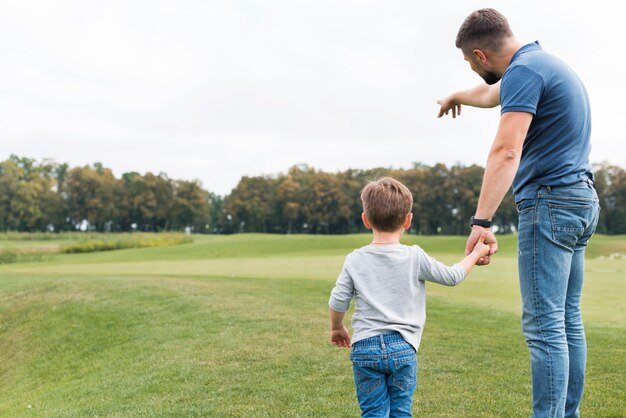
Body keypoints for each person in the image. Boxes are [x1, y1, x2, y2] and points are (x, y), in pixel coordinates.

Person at [436, 8, 600, 418]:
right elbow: (492, 95)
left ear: (480, 55)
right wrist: (457, 96)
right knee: (566, 321)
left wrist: (480, 221)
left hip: (550, 203)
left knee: (545, 328)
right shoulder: (540, 64)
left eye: (469, 64)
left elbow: (508, 150)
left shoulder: (524, 73)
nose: (473, 72)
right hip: (581, 200)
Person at [328, 177, 491, 417]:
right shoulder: (415, 256)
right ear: (408, 220)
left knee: (373, 412)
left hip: (364, 348)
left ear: (365, 219)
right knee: (401, 411)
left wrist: (336, 328)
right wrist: (476, 253)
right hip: (403, 347)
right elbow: (453, 276)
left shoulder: (355, 259)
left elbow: (338, 300)